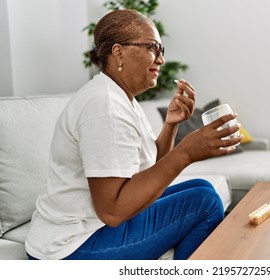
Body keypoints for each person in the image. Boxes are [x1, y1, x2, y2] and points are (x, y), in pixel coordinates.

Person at [25, 9, 242, 260]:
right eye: (153, 47)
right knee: (203, 202)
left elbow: (149, 170)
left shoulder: (120, 96)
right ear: (118, 52)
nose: (161, 59)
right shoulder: (104, 105)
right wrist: (186, 152)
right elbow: (113, 210)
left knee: (201, 187)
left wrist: (171, 124)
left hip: (93, 228)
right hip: (70, 247)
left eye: (162, 50)